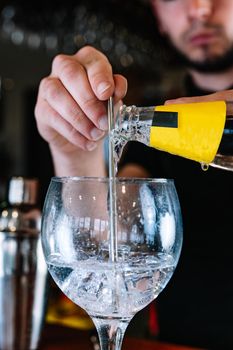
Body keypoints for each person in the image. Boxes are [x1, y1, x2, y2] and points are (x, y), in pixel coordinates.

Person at [35, 0, 233, 348]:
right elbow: (113, 270)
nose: (201, 9)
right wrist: (76, 153)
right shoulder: (156, 135)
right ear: (156, 15)